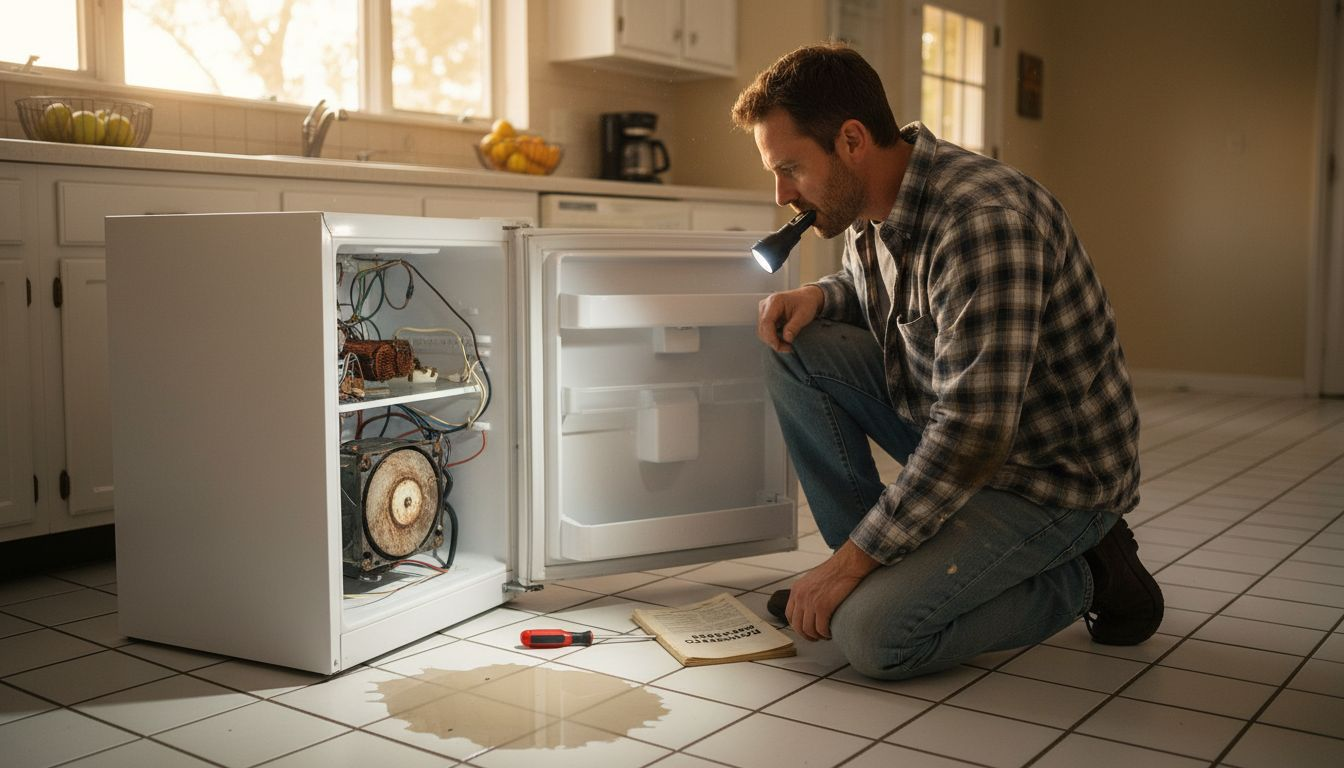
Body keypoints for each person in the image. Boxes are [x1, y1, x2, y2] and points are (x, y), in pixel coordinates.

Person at [731, 43, 1163, 680]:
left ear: (851, 140)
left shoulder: (984, 221)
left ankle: (1088, 574)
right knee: (797, 345)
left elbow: (974, 433)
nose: (781, 194)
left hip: (1049, 480)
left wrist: (848, 565)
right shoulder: (866, 205)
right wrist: (821, 296)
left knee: (875, 641)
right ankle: (878, 566)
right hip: (958, 433)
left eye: (791, 168)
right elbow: (888, 294)